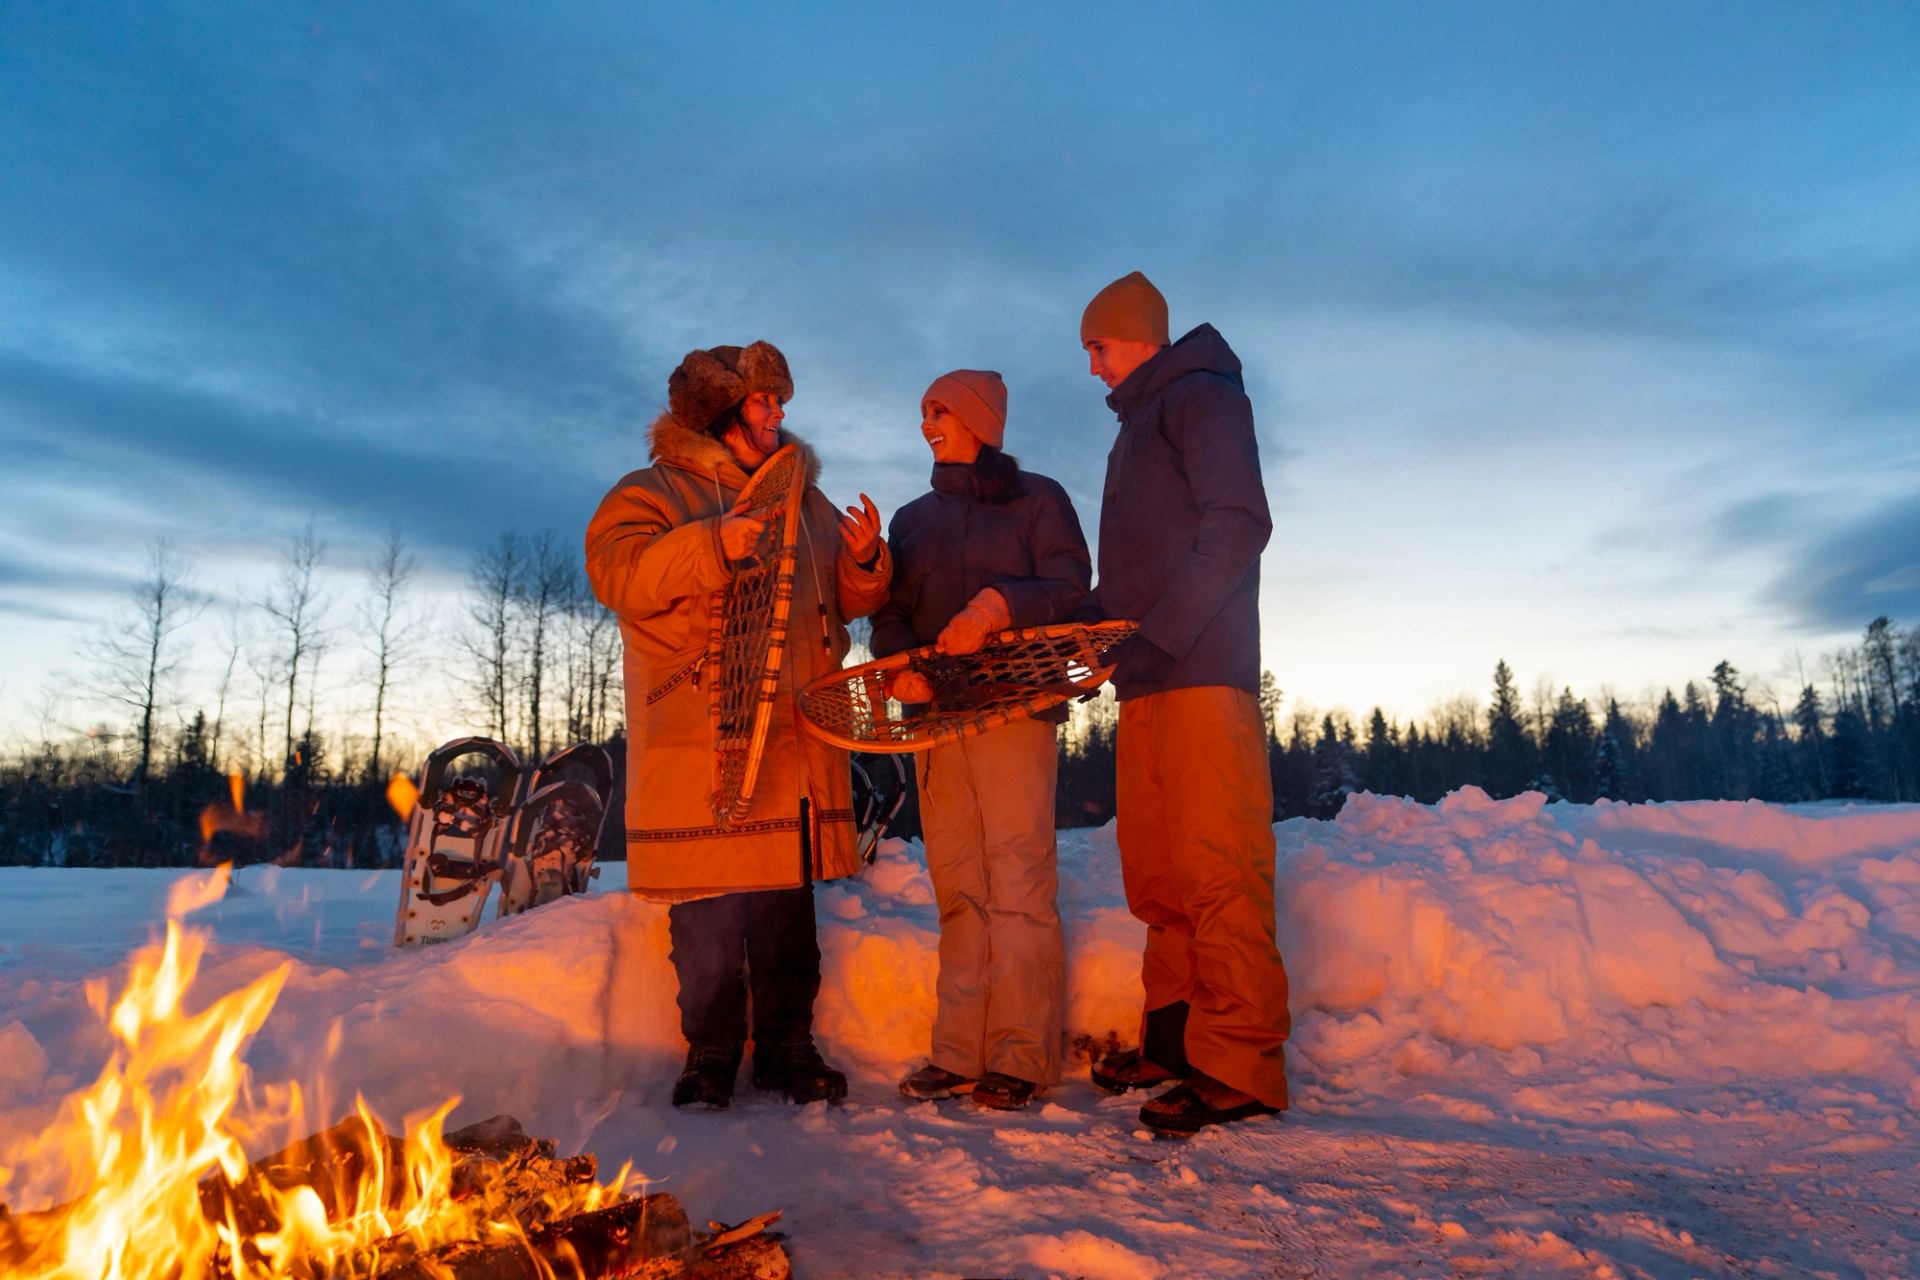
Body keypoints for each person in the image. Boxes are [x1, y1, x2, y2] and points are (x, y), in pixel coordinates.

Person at [585, 341, 890, 1110]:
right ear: (721, 411)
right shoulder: (651, 492)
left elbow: (839, 602)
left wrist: (864, 562)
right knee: (712, 908)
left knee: (786, 904)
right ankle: (711, 1051)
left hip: (788, 734)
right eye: (764, 401)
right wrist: (709, 545)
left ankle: (789, 1045)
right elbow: (618, 575)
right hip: (702, 736)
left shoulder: (802, 499)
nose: (779, 413)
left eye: (780, 401)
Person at [1075, 272, 1291, 1134]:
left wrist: (1158, 634)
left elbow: (1238, 523)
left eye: (1097, 347)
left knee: (1217, 868)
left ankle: (1240, 1063)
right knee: (1159, 878)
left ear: (1137, 336)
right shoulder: (1135, 431)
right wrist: (1086, 638)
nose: (1091, 367)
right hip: (1145, 679)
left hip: (1202, 673)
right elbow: (1120, 582)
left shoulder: (1203, 398)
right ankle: (1175, 1044)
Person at [869, 370, 1091, 1112]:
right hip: (935, 721)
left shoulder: (1040, 501)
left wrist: (998, 604)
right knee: (959, 884)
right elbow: (893, 613)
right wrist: (900, 667)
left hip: (1013, 711)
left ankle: (1022, 1057)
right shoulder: (911, 519)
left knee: (1019, 881)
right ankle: (959, 1050)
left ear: (981, 421)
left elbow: (1071, 590)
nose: (928, 424)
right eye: (923, 412)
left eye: (941, 412)